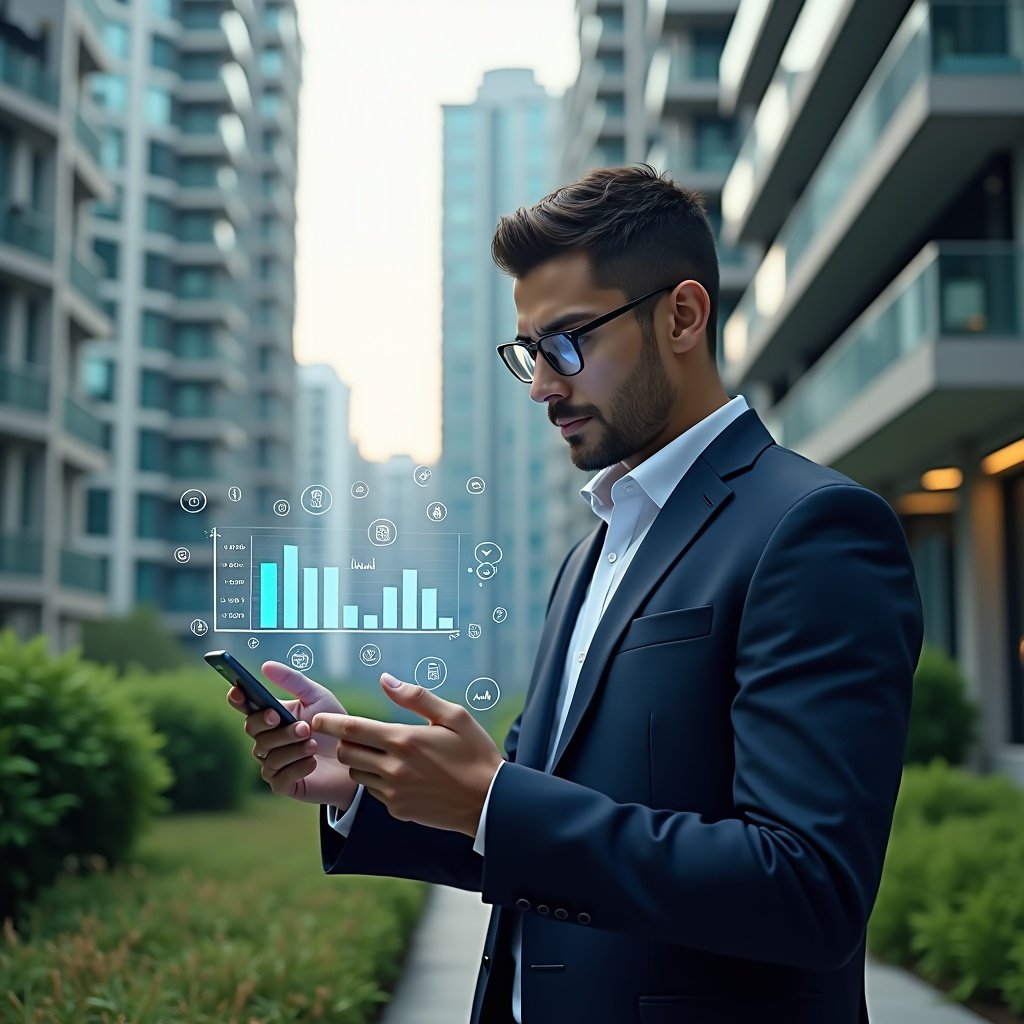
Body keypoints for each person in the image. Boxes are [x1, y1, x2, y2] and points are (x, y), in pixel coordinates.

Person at [231, 165, 924, 1024]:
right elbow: (533, 822)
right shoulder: (593, 553)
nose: (541, 386)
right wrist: (367, 786)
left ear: (682, 316)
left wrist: (494, 799)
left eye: (567, 343)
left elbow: (810, 889)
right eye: (529, 351)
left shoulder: (816, 530)